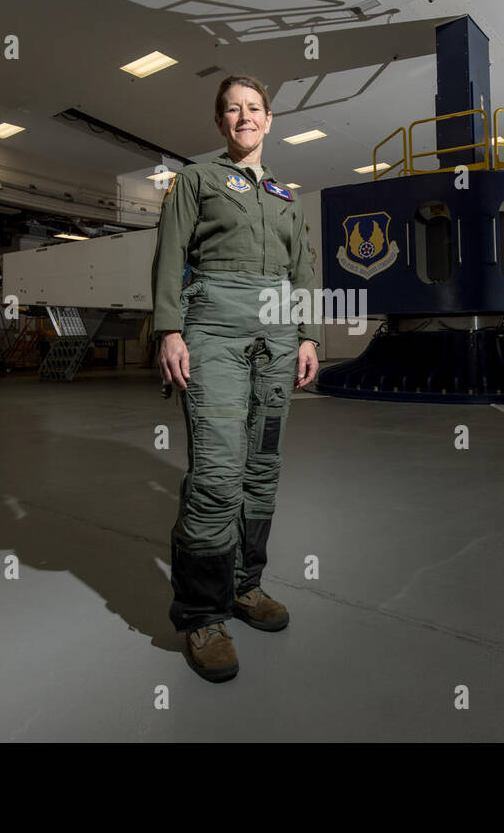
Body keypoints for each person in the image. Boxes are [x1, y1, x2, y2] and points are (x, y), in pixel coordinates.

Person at [150, 75, 322, 682]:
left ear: (269, 120)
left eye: (253, 108)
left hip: (276, 337)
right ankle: (202, 614)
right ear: (220, 122)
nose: (243, 117)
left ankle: (245, 587)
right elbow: (171, 254)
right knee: (219, 470)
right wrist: (169, 329)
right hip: (215, 332)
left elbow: (304, 270)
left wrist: (307, 336)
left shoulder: (285, 195)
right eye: (232, 109)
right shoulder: (195, 180)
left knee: (262, 468)